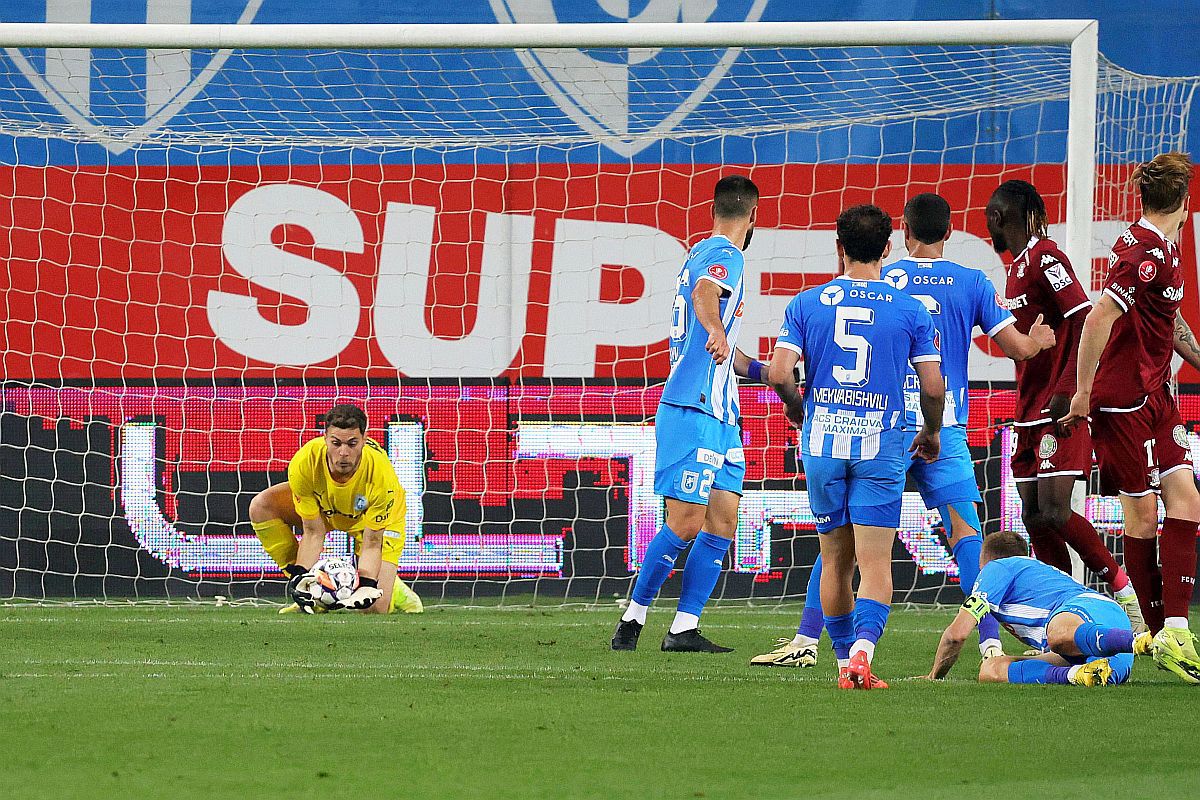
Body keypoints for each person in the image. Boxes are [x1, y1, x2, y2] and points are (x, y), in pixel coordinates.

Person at [752, 192, 1056, 669]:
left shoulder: (882, 280)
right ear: (949, 232)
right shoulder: (970, 281)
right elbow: (1016, 349)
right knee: (964, 533)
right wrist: (1036, 341)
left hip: (873, 425)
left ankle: (808, 640)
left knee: (842, 541)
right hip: (937, 424)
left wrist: (800, 404)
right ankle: (990, 645)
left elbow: (784, 370)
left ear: (904, 234)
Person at [766, 204, 945, 689]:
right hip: (880, 444)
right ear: (887, 248)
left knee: (835, 560)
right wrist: (931, 431)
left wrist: (796, 407)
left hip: (822, 444)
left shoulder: (806, 303)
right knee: (875, 562)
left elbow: (779, 373)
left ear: (839, 247)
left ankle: (845, 662)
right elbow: (933, 386)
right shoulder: (909, 308)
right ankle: (863, 655)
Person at [611, 175, 767, 653]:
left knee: (722, 522)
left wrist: (764, 372)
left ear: (713, 209)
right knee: (684, 522)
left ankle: (683, 627)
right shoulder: (726, 256)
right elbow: (704, 294)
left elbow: (726, 349)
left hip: (723, 416)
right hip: (692, 407)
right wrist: (716, 328)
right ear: (753, 216)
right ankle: (632, 620)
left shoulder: (697, 251)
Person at [1061, 152, 1200, 684]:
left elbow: (1169, 318)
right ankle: (1162, 630)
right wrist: (1083, 391)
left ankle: (1174, 631)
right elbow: (1099, 317)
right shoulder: (1142, 251)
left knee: (1187, 500)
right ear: (1185, 201)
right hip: (1123, 403)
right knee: (1142, 518)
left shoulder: (1163, 247)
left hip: (1156, 395)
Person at [986, 179, 1142, 628]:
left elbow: (1083, 316)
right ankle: (1062, 604)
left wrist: (1070, 386)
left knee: (1055, 509)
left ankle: (1124, 591)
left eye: (990, 218)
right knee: (1034, 516)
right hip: (1028, 408)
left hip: (1057, 406)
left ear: (999, 217)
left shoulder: (1047, 257)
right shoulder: (1016, 267)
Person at [249, 403, 423, 615]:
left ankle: (394, 588)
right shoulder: (304, 463)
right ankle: (315, 588)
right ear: (325, 439)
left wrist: (368, 584)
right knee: (262, 506)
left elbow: (372, 542)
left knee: (374, 609)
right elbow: (313, 532)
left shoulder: (382, 476)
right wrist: (300, 578)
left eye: (352, 444)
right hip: (328, 509)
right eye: (336, 443)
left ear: (364, 440)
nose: (343, 453)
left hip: (374, 522)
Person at [924, 531, 1137, 686]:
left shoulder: (997, 567)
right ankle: (1076, 675)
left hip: (1094, 615)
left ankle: (1140, 641)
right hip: (1112, 663)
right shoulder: (1037, 575)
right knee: (990, 670)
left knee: (1057, 635)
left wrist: (934, 676)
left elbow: (957, 635)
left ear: (986, 561)